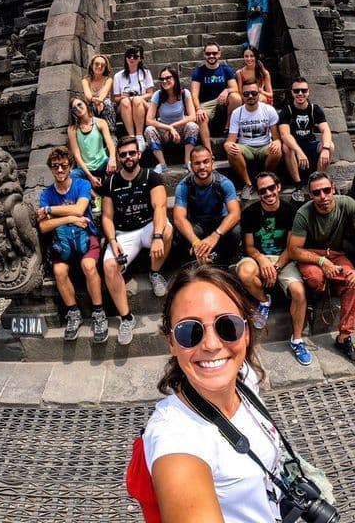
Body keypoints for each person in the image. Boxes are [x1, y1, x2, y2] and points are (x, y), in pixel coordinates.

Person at [143, 265, 282, 522]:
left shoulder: (244, 377)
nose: (211, 344)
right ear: (171, 343)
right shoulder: (176, 437)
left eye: (227, 326)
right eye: (189, 332)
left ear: (247, 332)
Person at [288, 172, 355, 364]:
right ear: (310, 195)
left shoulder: (347, 204)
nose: (323, 197)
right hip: (312, 255)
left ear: (333, 188)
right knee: (315, 278)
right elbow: (294, 250)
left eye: (326, 190)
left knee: (354, 282)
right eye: (316, 192)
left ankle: (344, 337)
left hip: (336, 254)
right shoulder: (304, 213)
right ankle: (318, 292)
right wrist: (321, 262)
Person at [100, 136, 173, 345]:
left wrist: (157, 236)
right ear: (118, 157)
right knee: (109, 265)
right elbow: (106, 216)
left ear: (139, 154)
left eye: (132, 153)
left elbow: (159, 207)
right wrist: (112, 241)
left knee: (168, 230)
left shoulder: (151, 176)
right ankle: (126, 318)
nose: (128, 157)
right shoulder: (111, 182)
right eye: (123, 154)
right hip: (124, 233)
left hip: (148, 225)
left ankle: (155, 272)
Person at [236, 172, 312, 365]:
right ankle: (264, 301)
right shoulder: (250, 212)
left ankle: (297, 339)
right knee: (244, 273)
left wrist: (276, 267)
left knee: (298, 292)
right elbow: (249, 247)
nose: (268, 193)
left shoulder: (290, 211)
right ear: (258, 193)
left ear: (278, 187)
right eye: (263, 190)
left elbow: (292, 247)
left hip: (284, 258)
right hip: (258, 257)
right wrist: (262, 260)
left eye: (271, 188)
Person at [37, 146, 106, 342]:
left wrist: (51, 210)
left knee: (89, 265)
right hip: (63, 241)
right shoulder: (47, 193)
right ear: (50, 168)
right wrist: (68, 220)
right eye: (55, 166)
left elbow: (80, 209)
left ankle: (98, 312)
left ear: (70, 166)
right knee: (59, 271)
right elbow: (43, 227)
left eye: (64, 166)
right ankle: (73, 313)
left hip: (85, 238)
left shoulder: (82, 185)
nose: (60, 170)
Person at [173, 145, 241, 266]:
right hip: (197, 224)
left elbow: (235, 213)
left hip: (219, 223)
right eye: (197, 163)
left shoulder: (224, 183)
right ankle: (194, 261)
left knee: (235, 230)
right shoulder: (184, 186)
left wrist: (215, 235)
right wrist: (195, 242)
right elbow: (179, 218)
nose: (202, 167)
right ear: (191, 165)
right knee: (181, 232)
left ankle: (225, 262)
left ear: (212, 162)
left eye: (206, 162)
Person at [224, 77, 282, 200]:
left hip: (264, 146)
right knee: (232, 151)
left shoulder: (269, 110)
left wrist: (277, 143)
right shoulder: (237, 113)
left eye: (254, 93)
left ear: (259, 93)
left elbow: (276, 138)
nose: (250, 96)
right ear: (242, 95)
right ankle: (248, 183)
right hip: (246, 147)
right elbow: (230, 140)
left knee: (277, 151)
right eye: (246, 94)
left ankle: (265, 178)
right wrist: (228, 146)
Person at [278, 77, 334, 202]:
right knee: (286, 146)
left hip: (310, 145)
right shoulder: (287, 111)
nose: (300, 94)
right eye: (296, 91)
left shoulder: (315, 109)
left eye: (303, 90)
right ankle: (298, 185)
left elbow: (326, 130)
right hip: (295, 148)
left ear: (308, 92)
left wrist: (325, 148)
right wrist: (298, 151)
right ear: (292, 93)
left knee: (330, 146)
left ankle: (317, 179)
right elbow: (285, 135)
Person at [144, 67, 200, 173]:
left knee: (192, 126)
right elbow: (149, 120)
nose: (164, 81)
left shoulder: (184, 93)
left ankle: (188, 161)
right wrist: (169, 128)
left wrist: (173, 126)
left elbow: (192, 116)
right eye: (162, 79)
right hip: (164, 132)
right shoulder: (158, 95)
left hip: (181, 131)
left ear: (175, 78)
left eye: (168, 78)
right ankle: (162, 164)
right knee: (149, 129)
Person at [190, 41, 242, 149]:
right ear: (204, 55)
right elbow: (194, 95)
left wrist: (227, 91)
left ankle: (228, 128)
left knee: (236, 97)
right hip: (206, 104)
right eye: (208, 54)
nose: (211, 56)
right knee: (201, 117)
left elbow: (235, 89)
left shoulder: (226, 69)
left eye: (214, 53)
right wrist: (198, 109)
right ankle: (209, 152)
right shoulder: (199, 72)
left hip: (221, 102)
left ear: (219, 54)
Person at [67, 97, 117, 189]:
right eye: (74, 108)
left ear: (85, 104)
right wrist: (90, 176)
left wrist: (112, 159)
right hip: (85, 168)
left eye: (79, 104)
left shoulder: (100, 122)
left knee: (115, 169)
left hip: (102, 163)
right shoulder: (72, 129)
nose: (78, 108)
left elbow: (110, 143)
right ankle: (95, 197)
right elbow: (76, 155)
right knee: (72, 176)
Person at [113, 46, 154, 151]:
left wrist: (138, 97)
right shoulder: (118, 76)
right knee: (126, 101)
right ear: (125, 58)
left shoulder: (145, 73)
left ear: (140, 59)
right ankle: (131, 136)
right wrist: (124, 97)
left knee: (136, 100)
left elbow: (150, 94)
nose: (132, 58)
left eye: (135, 56)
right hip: (125, 105)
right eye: (129, 56)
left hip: (142, 104)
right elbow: (116, 98)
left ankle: (139, 136)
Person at [81, 54, 117, 133]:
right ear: (92, 65)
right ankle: (92, 132)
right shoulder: (85, 80)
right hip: (93, 105)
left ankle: (111, 133)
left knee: (107, 102)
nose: (99, 66)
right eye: (97, 64)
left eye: (103, 65)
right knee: (88, 105)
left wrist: (100, 101)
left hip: (106, 106)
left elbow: (103, 95)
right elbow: (88, 96)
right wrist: (95, 101)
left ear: (105, 68)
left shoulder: (108, 80)